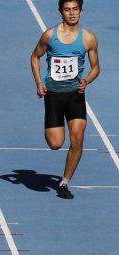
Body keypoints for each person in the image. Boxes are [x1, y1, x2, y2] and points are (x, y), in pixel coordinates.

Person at [30, 0, 99, 200]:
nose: (71, 13)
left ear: (81, 11)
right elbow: (35, 57)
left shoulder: (88, 38)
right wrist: (38, 82)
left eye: (75, 9)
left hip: (75, 94)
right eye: (67, 10)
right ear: (61, 13)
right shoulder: (49, 35)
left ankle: (64, 183)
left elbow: (96, 67)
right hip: (53, 94)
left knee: (78, 138)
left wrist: (86, 80)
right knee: (55, 143)